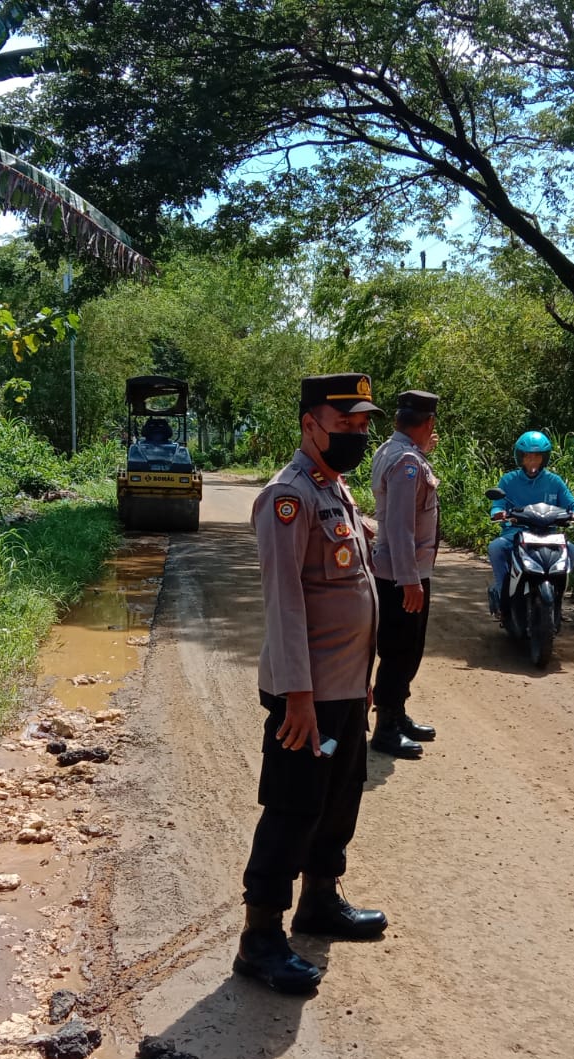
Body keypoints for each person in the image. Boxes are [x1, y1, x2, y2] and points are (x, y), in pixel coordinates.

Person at [237, 372, 391, 995]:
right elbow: (286, 603)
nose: (356, 435)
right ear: (310, 425)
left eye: (362, 426)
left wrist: (364, 681)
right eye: (344, 424)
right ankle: (260, 938)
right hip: (306, 696)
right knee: (293, 807)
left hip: (344, 688)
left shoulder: (337, 490)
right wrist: (298, 697)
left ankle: (320, 900)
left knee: (340, 797)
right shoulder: (289, 496)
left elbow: (354, 595)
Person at [369, 390, 441, 759]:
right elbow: (400, 527)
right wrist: (409, 580)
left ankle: (396, 714)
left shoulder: (392, 451)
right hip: (402, 575)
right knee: (400, 652)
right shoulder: (407, 462)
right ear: (427, 423)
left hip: (400, 572)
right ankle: (385, 729)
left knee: (407, 650)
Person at [487, 431, 574, 614]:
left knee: (571, 549)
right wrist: (499, 512)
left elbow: (571, 502)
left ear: (544, 459)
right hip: (515, 533)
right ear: (520, 458)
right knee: (496, 547)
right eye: (528, 457)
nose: (532, 461)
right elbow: (497, 504)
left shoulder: (554, 481)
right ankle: (503, 595)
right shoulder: (508, 481)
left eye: (537, 457)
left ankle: (558, 597)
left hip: (549, 536)